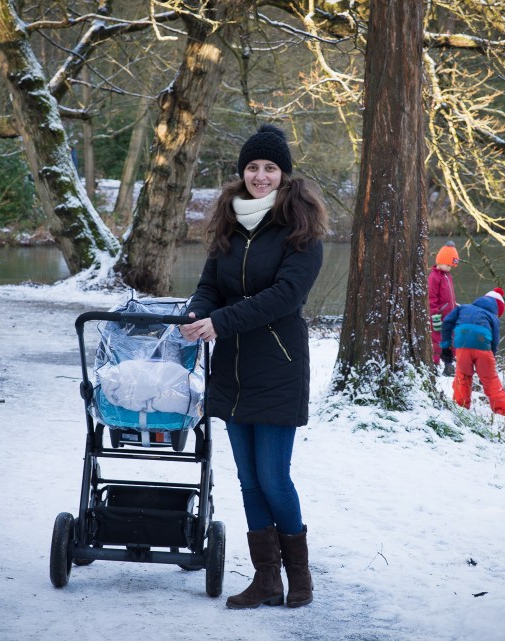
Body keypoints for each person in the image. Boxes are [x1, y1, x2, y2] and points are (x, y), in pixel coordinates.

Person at [180, 124, 328, 609]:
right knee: (247, 480)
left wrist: (220, 321)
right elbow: (209, 286)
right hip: (233, 371)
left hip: (278, 367)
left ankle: (299, 579)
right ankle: (266, 580)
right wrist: (197, 312)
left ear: (283, 175)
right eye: (252, 168)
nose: (260, 176)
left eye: (269, 168)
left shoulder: (301, 230)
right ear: (241, 173)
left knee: (274, 478)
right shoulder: (227, 225)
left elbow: (285, 297)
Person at [439, 288, 505, 416]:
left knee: (462, 376)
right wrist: (492, 356)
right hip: (483, 348)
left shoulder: (463, 308)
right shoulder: (493, 318)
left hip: (462, 345)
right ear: (497, 308)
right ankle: (503, 412)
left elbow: (447, 322)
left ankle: (460, 407)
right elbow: (495, 340)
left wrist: (445, 346)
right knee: (490, 379)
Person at [428, 241, 459, 376]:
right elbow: (431, 298)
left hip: (450, 315)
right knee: (437, 340)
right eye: (448, 265)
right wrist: (434, 314)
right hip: (439, 316)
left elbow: (450, 297)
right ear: (441, 261)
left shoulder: (448, 276)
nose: (449, 268)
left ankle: (448, 364)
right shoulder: (434, 277)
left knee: (450, 339)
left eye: (451, 266)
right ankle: (434, 365)